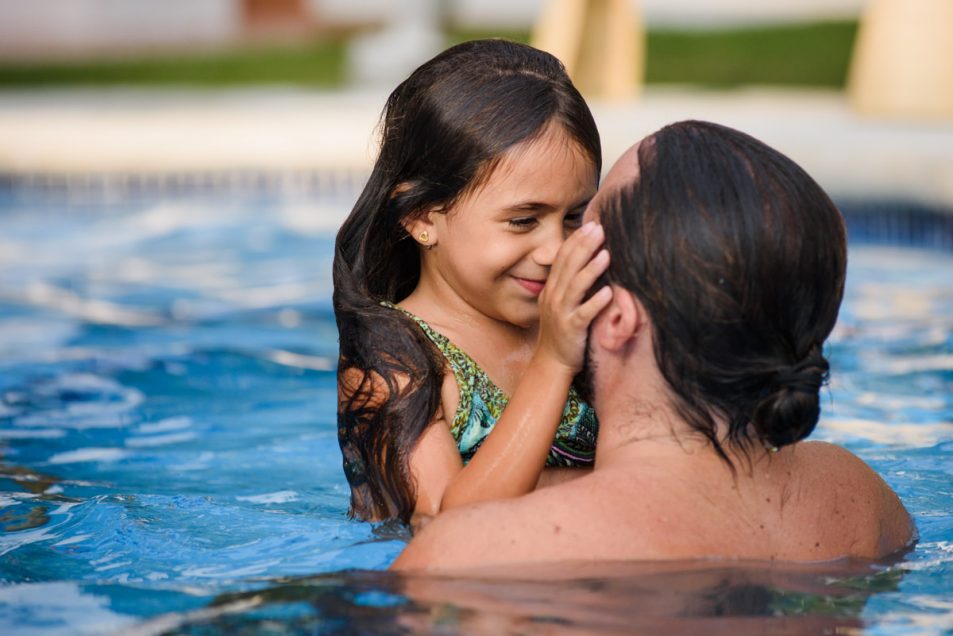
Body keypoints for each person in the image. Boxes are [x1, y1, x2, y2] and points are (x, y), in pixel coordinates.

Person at [392, 120, 916, 570]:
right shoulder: (868, 503)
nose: (554, 256)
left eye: (581, 229)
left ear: (617, 316)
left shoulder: (477, 552)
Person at [333, 39, 612, 526]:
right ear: (422, 216)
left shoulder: (589, 318)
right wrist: (553, 360)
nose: (556, 251)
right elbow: (450, 525)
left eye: (573, 216)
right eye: (524, 221)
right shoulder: (392, 360)